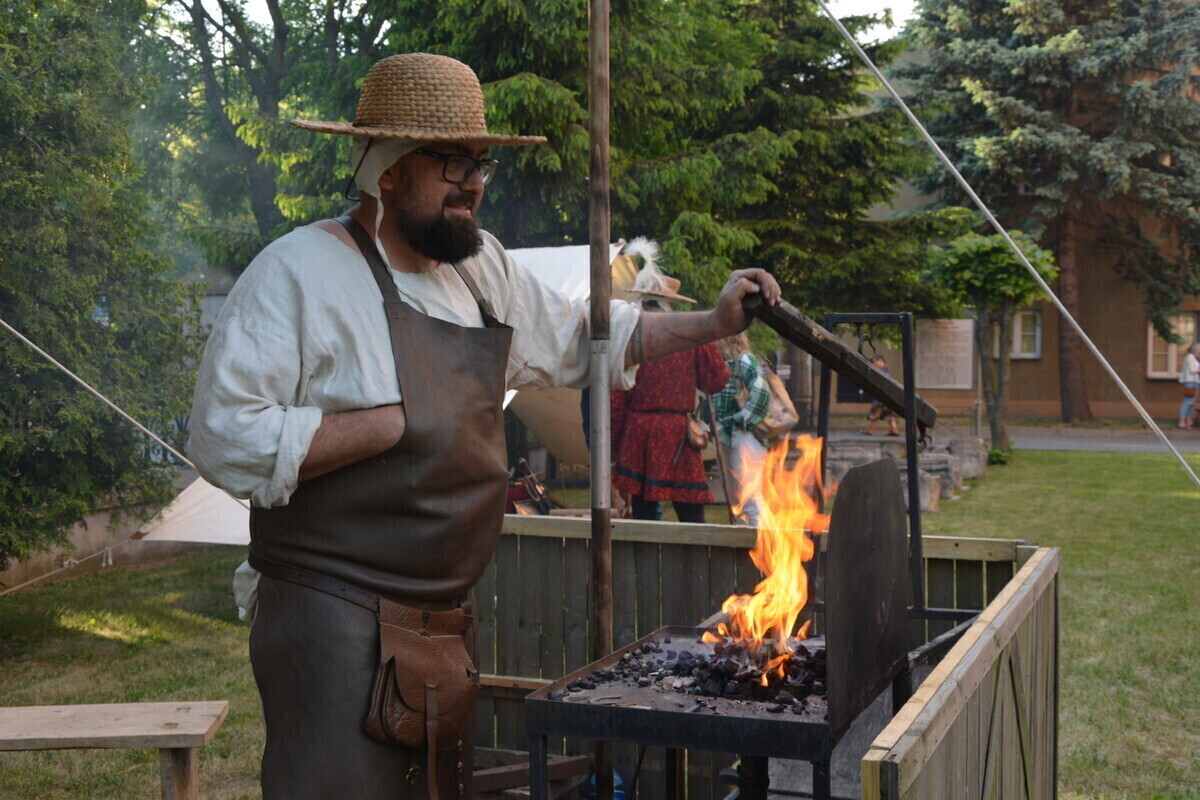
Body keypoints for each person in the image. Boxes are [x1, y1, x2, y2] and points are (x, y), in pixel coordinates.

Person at [186, 53, 781, 800]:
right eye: (450, 163)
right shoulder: (298, 273)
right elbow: (222, 434)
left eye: (480, 164)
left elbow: (582, 340)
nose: (471, 182)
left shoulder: (480, 271)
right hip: (331, 620)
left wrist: (711, 323)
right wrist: (396, 423)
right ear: (387, 170)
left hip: (445, 627)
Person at [611, 253, 730, 522]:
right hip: (676, 433)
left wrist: (617, 446)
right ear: (671, 305)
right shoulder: (691, 332)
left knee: (643, 515)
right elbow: (716, 381)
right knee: (691, 516)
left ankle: (643, 563)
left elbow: (616, 398)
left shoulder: (626, 334)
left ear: (643, 299)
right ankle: (699, 561)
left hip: (639, 433)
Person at [710, 333, 771, 527]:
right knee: (737, 498)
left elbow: (761, 395)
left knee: (750, 496)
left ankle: (761, 546)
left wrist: (737, 420)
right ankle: (744, 548)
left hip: (746, 436)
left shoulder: (744, 359)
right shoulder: (723, 364)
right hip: (729, 436)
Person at [864, 354, 900, 436]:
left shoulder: (884, 370)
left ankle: (870, 430)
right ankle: (894, 429)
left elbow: (883, 382)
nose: (874, 363)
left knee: (875, 413)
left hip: (882, 396)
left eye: (875, 361)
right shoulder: (885, 369)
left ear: (880, 360)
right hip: (887, 396)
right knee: (889, 414)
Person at [1179, 342, 1200, 429]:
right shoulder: (1190, 357)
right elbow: (1192, 370)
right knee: (1187, 402)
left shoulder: (1194, 358)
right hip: (1190, 382)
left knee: (1191, 402)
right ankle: (1182, 422)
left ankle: (1188, 421)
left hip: (1194, 381)